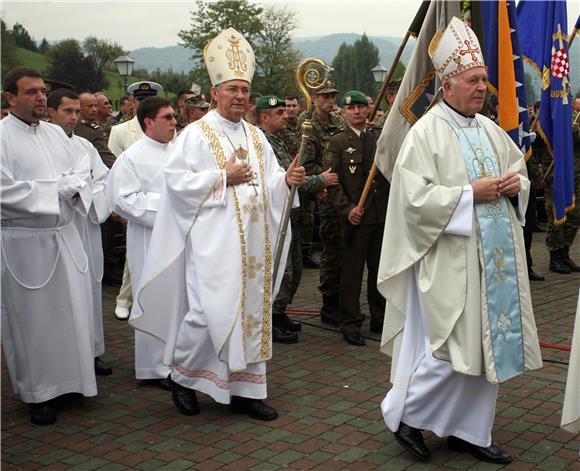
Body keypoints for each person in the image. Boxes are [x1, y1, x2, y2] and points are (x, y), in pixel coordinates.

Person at [377, 18, 542, 464]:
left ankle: (471, 430)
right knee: (451, 351)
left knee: (486, 351)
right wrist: (469, 194)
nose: (482, 88)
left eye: (484, 80)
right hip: (452, 263)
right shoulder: (425, 133)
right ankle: (407, 416)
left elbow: (519, 173)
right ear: (447, 84)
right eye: (473, 80)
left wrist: (514, 186)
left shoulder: (489, 130)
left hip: (496, 266)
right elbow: (411, 201)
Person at [131, 28, 305, 420]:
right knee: (207, 314)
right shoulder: (194, 135)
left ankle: (248, 390)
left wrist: (285, 181)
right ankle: (181, 375)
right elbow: (175, 185)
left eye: (245, 89)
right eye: (232, 89)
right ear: (215, 93)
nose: (240, 96)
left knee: (252, 313)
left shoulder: (257, 136)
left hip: (255, 244)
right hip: (215, 244)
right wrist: (222, 177)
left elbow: (271, 181)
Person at [1, 67, 97, 425]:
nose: (42, 97)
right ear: (10, 97)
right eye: (32, 92)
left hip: (65, 234)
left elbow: (81, 169)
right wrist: (51, 189)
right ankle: (38, 392)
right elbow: (3, 191)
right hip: (27, 243)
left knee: (69, 313)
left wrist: (71, 185)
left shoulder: (57, 134)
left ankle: (72, 381)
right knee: (34, 321)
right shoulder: (1, 138)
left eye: (43, 91)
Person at [257, 95, 338, 344]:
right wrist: (320, 181)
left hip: (292, 216)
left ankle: (279, 312)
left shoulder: (280, 138)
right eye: (279, 113)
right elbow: (290, 181)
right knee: (282, 270)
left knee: (294, 267)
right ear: (264, 117)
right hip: (276, 217)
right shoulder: (263, 144)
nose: (286, 116)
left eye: (284, 111)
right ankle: (269, 318)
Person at [107, 96, 176, 387]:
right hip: (148, 237)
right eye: (168, 118)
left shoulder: (179, 150)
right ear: (148, 122)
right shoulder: (132, 157)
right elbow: (123, 200)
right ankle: (153, 367)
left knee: (175, 298)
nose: (175, 122)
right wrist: (171, 206)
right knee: (152, 295)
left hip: (179, 237)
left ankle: (174, 360)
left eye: (174, 117)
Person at [47, 88, 113, 376]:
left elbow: (103, 180)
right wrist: (70, 189)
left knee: (90, 289)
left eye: (77, 111)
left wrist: (86, 192)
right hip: (58, 228)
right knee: (64, 295)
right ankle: (66, 356)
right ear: (50, 112)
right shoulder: (44, 146)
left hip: (86, 224)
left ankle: (92, 349)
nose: (74, 117)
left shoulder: (86, 146)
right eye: (68, 111)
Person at [324, 90, 389, 346]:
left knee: (379, 270)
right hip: (355, 216)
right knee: (351, 273)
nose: (357, 112)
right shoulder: (337, 141)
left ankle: (380, 316)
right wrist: (346, 209)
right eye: (351, 108)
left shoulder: (378, 138)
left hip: (378, 214)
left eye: (361, 107)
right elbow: (332, 182)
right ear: (343, 112)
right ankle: (350, 322)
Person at [107, 80, 164, 320]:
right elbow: (112, 164)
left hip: (157, 199)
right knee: (136, 254)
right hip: (135, 199)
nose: (143, 103)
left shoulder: (170, 132)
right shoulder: (120, 131)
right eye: (140, 100)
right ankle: (124, 299)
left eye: (148, 99)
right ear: (132, 103)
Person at [299, 79, 343, 324]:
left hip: (342, 190)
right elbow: (305, 162)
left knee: (344, 248)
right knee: (331, 250)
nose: (330, 101)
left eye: (333, 96)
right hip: (325, 192)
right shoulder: (308, 124)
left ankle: (342, 298)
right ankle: (329, 303)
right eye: (325, 96)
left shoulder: (338, 121)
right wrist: (325, 176)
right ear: (314, 98)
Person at [543, 97, 580, 274]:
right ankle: (555, 257)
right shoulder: (548, 119)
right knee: (556, 216)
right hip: (556, 176)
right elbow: (541, 145)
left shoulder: (575, 119)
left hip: (575, 177)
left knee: (574, 218)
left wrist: (575, 132)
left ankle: (565, 253)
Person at [74, 92, 116, 168]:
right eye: (89, 106)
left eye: (96, 106)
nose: (94, 109)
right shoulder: (91, 132)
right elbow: (106, 158)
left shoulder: (93, 129)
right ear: (79, 107)